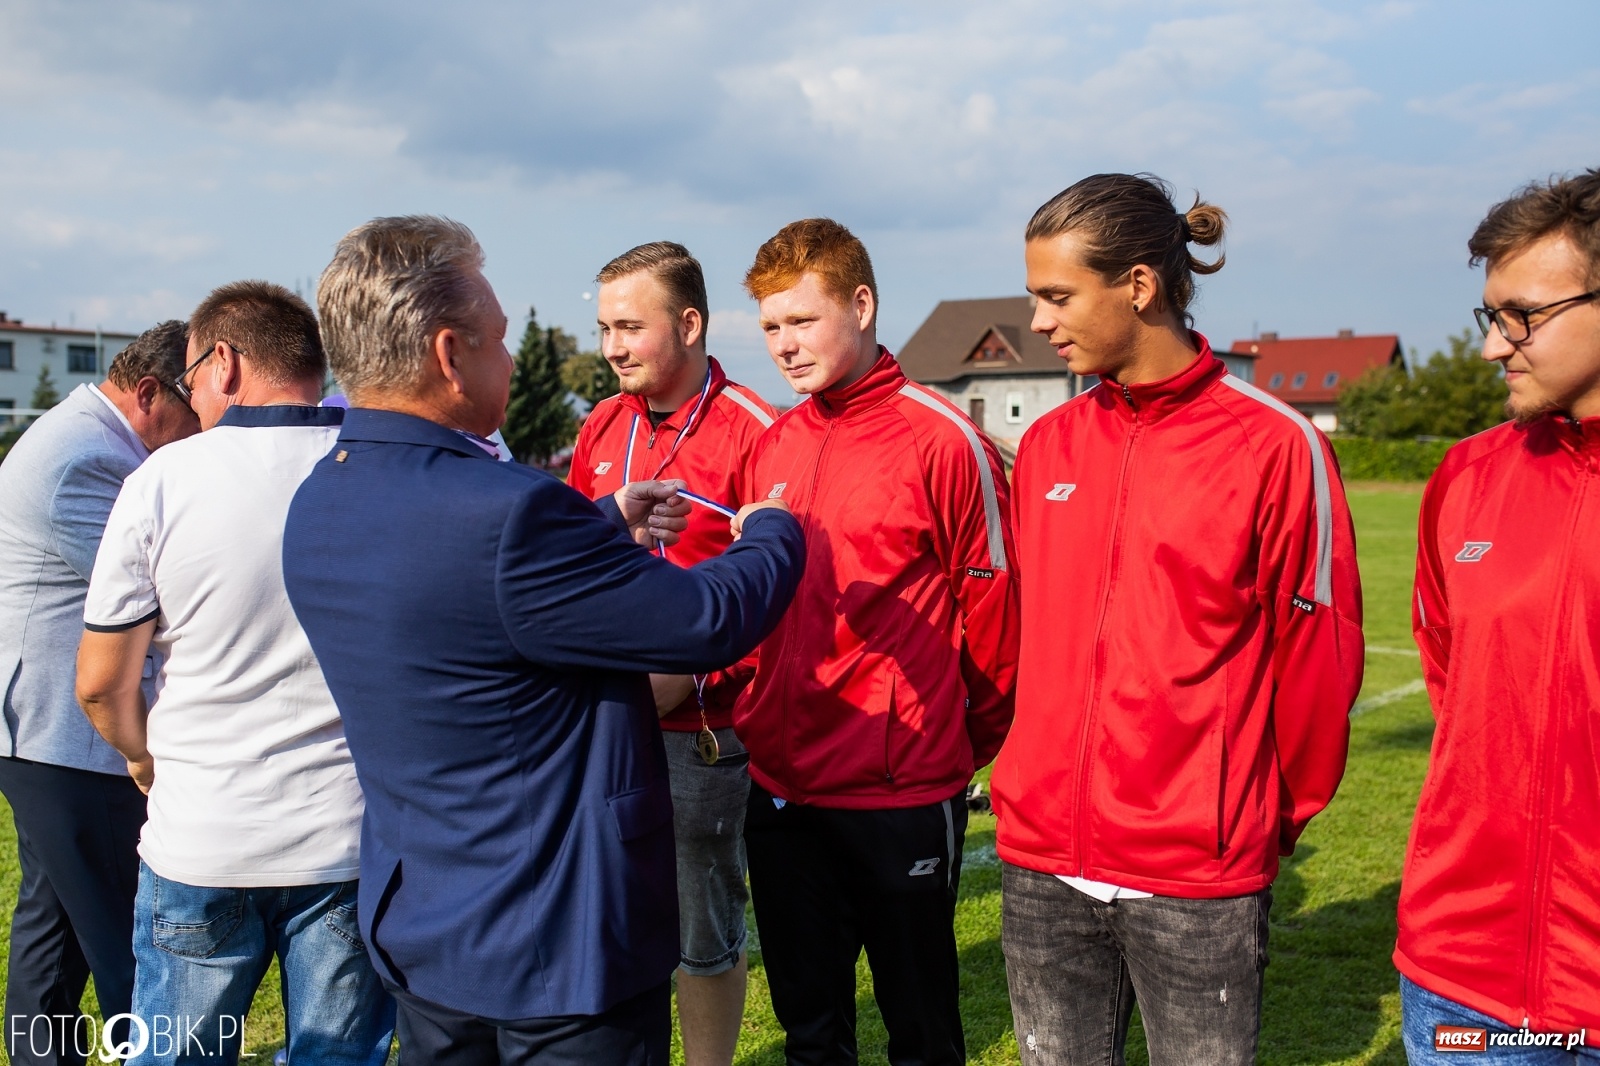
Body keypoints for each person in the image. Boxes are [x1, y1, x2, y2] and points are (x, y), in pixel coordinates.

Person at [280, 215, 806, 1066]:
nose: (516, 361)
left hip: (427, 925)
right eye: (498, 340)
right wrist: (774, 531)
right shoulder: (511, 510)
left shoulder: (322, 498)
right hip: (554, 948)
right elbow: (706, 618)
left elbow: (463, 596)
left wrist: (596, 525)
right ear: (449, 355)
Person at [990, 173, 1364, 1066]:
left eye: (1056, 296)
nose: (1038, 321)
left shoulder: (1276, 445)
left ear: (1139, 286)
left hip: (1198, 874)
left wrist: (1249, 820)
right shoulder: (1048, 444)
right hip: (1042, 860)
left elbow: (1319, 657)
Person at [75, 282, 395, 1066]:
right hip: (348, 835)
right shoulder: (383, 465)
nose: (191, 400)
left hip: (203, 833)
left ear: (223, 362)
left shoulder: (162, 480)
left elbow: (101, 682)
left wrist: (142, 756)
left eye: (190, 380)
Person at [736, 218, 1020, 1066]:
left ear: (861, 306)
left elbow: (998, 620)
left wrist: (941, 750)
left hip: (898, 794)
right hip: (780, 792)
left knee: (920, 1035)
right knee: (810, 1034)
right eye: (771, 326)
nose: (784, 346)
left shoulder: (946, 441)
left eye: (802, 320)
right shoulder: (774, 443)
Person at [1397, 170, 1600, 1064]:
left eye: (1523, 316)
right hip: (1461, 977)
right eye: (1492, 314)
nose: (1492, 347)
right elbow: (1455, 690)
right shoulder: (1466, 478)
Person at [568, 241, 777, 1066]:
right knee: (608, 918)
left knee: (701, 930)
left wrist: (690, 671)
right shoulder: (602, 423)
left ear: (689, 325)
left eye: (630, 327)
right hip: (605, 721)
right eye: (604, 328)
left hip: (703, 732)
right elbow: (571, 567)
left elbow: (778, 591)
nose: (612, 347)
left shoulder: (755, 430)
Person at [0, 321, 197, 1065]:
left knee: (52, 933)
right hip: (73, 740)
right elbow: (157, 597)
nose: (202, 437)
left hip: (52, 738)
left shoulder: (85, 438)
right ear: (149, 393)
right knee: (129, 944)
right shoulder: (88, 458)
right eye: (196, 417)